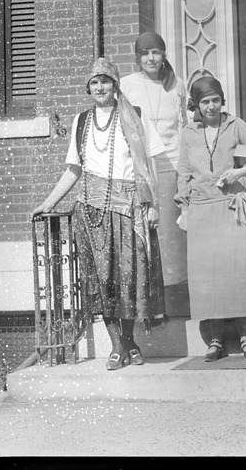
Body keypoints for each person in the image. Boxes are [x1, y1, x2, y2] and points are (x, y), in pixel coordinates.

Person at [31, 58, 166, 371]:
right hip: (91, 214)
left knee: (129, 280)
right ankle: (120, 346)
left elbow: (151, 164)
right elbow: (74, 170)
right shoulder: (81, 121)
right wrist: (49, 202)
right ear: (88, 88)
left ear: (115, 84)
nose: (100, 87)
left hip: (129, 209)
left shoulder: (136, 117)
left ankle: (129, 339)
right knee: (102, 281)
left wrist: (153, 203)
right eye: (94, 83)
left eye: (105, 81)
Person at [175, 76, 246, 361]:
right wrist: (184, 208)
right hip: (202, 210)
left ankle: (245, 338)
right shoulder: (188, 133)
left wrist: (241, 173)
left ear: (222, 100)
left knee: (239, 272)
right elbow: (183, 172)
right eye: (205, 101)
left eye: (215, 99)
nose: (211, 106)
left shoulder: (236, 125)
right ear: (196, 104)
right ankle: (215, 341)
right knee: (209, 278)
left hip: (234, 208)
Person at [120, 31, 188, 285]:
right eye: (145, 53)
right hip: (140, 167)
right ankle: (146, 288)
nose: (151, 58)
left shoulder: (176, 84)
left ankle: (172, 288)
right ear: (137, 58)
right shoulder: (126, 84)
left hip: (171, 163)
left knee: (170, 231)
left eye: (156, 52)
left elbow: (183, 124)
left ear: (163, 55)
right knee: (143, 230)